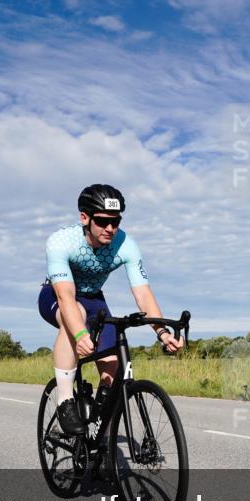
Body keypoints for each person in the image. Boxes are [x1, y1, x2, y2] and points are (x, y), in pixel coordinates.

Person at [39, 184, 184, 435]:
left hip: (95, 299)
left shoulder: (125, 244)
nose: (110, 228)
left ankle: (99, 437)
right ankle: (64, 400)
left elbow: (143, 293)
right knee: (76, 317)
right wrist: (80, 334)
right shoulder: (62, 241)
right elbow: (65, 296)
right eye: (103, 221)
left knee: (112, 368)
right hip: (56, 294)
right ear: (84, 217)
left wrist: (161, 332)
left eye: (115, 222)